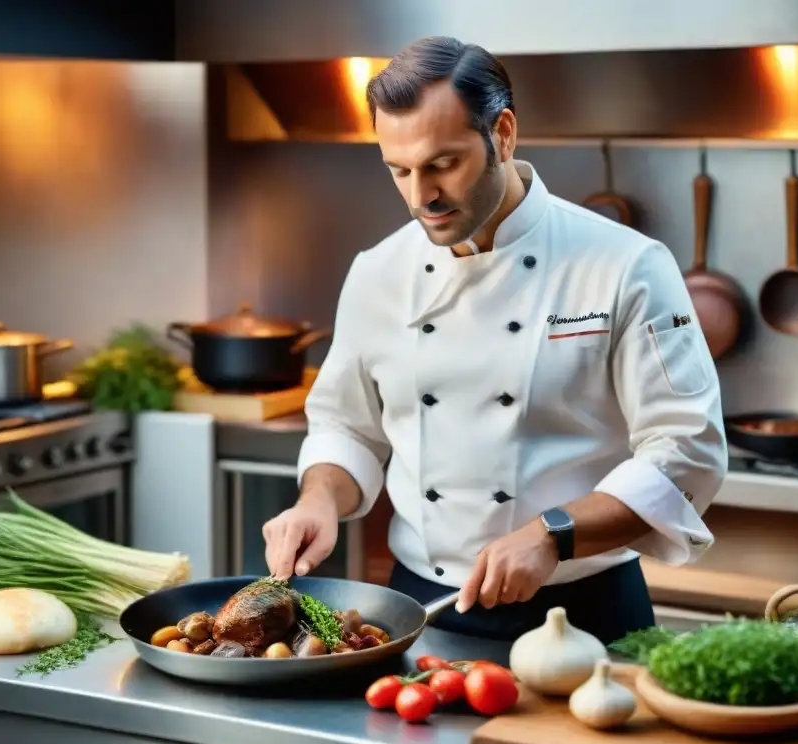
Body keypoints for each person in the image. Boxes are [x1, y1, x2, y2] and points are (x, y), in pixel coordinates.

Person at [262, 36, 728, 645]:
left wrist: (551, 534)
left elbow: (686, 449)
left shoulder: (625, 264)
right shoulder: (377, 272)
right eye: (398, 171)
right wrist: (318, 500)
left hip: (585, 615)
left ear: (502, 134)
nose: (420, 197)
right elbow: (347, 427)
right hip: (421, 614)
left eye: (442, 164)